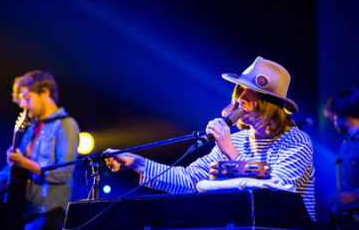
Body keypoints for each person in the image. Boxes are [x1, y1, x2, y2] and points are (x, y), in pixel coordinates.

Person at [105, 56, 316, 221]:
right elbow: (189, 180)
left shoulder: (296, 141)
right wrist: (138, 163)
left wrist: (230, 154)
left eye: (250, 92)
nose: (240, 98)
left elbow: (277, 188)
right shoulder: (239, 139)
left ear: (269, 102)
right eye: (240, 90)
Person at [0, 70, 80, 230]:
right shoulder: (32, 128)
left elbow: (65, 172)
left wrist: (25, 163)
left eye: (27, 98)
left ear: (45, 92)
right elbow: (17, 164)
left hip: (49, 211)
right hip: (26, 211)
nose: (23, 105)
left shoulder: (66, 124)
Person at [324, 88, 359, 219]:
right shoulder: (345, 143)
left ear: (343, 111)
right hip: (347, 218)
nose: (333, 120)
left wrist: (353, 195)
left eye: (334, 115)